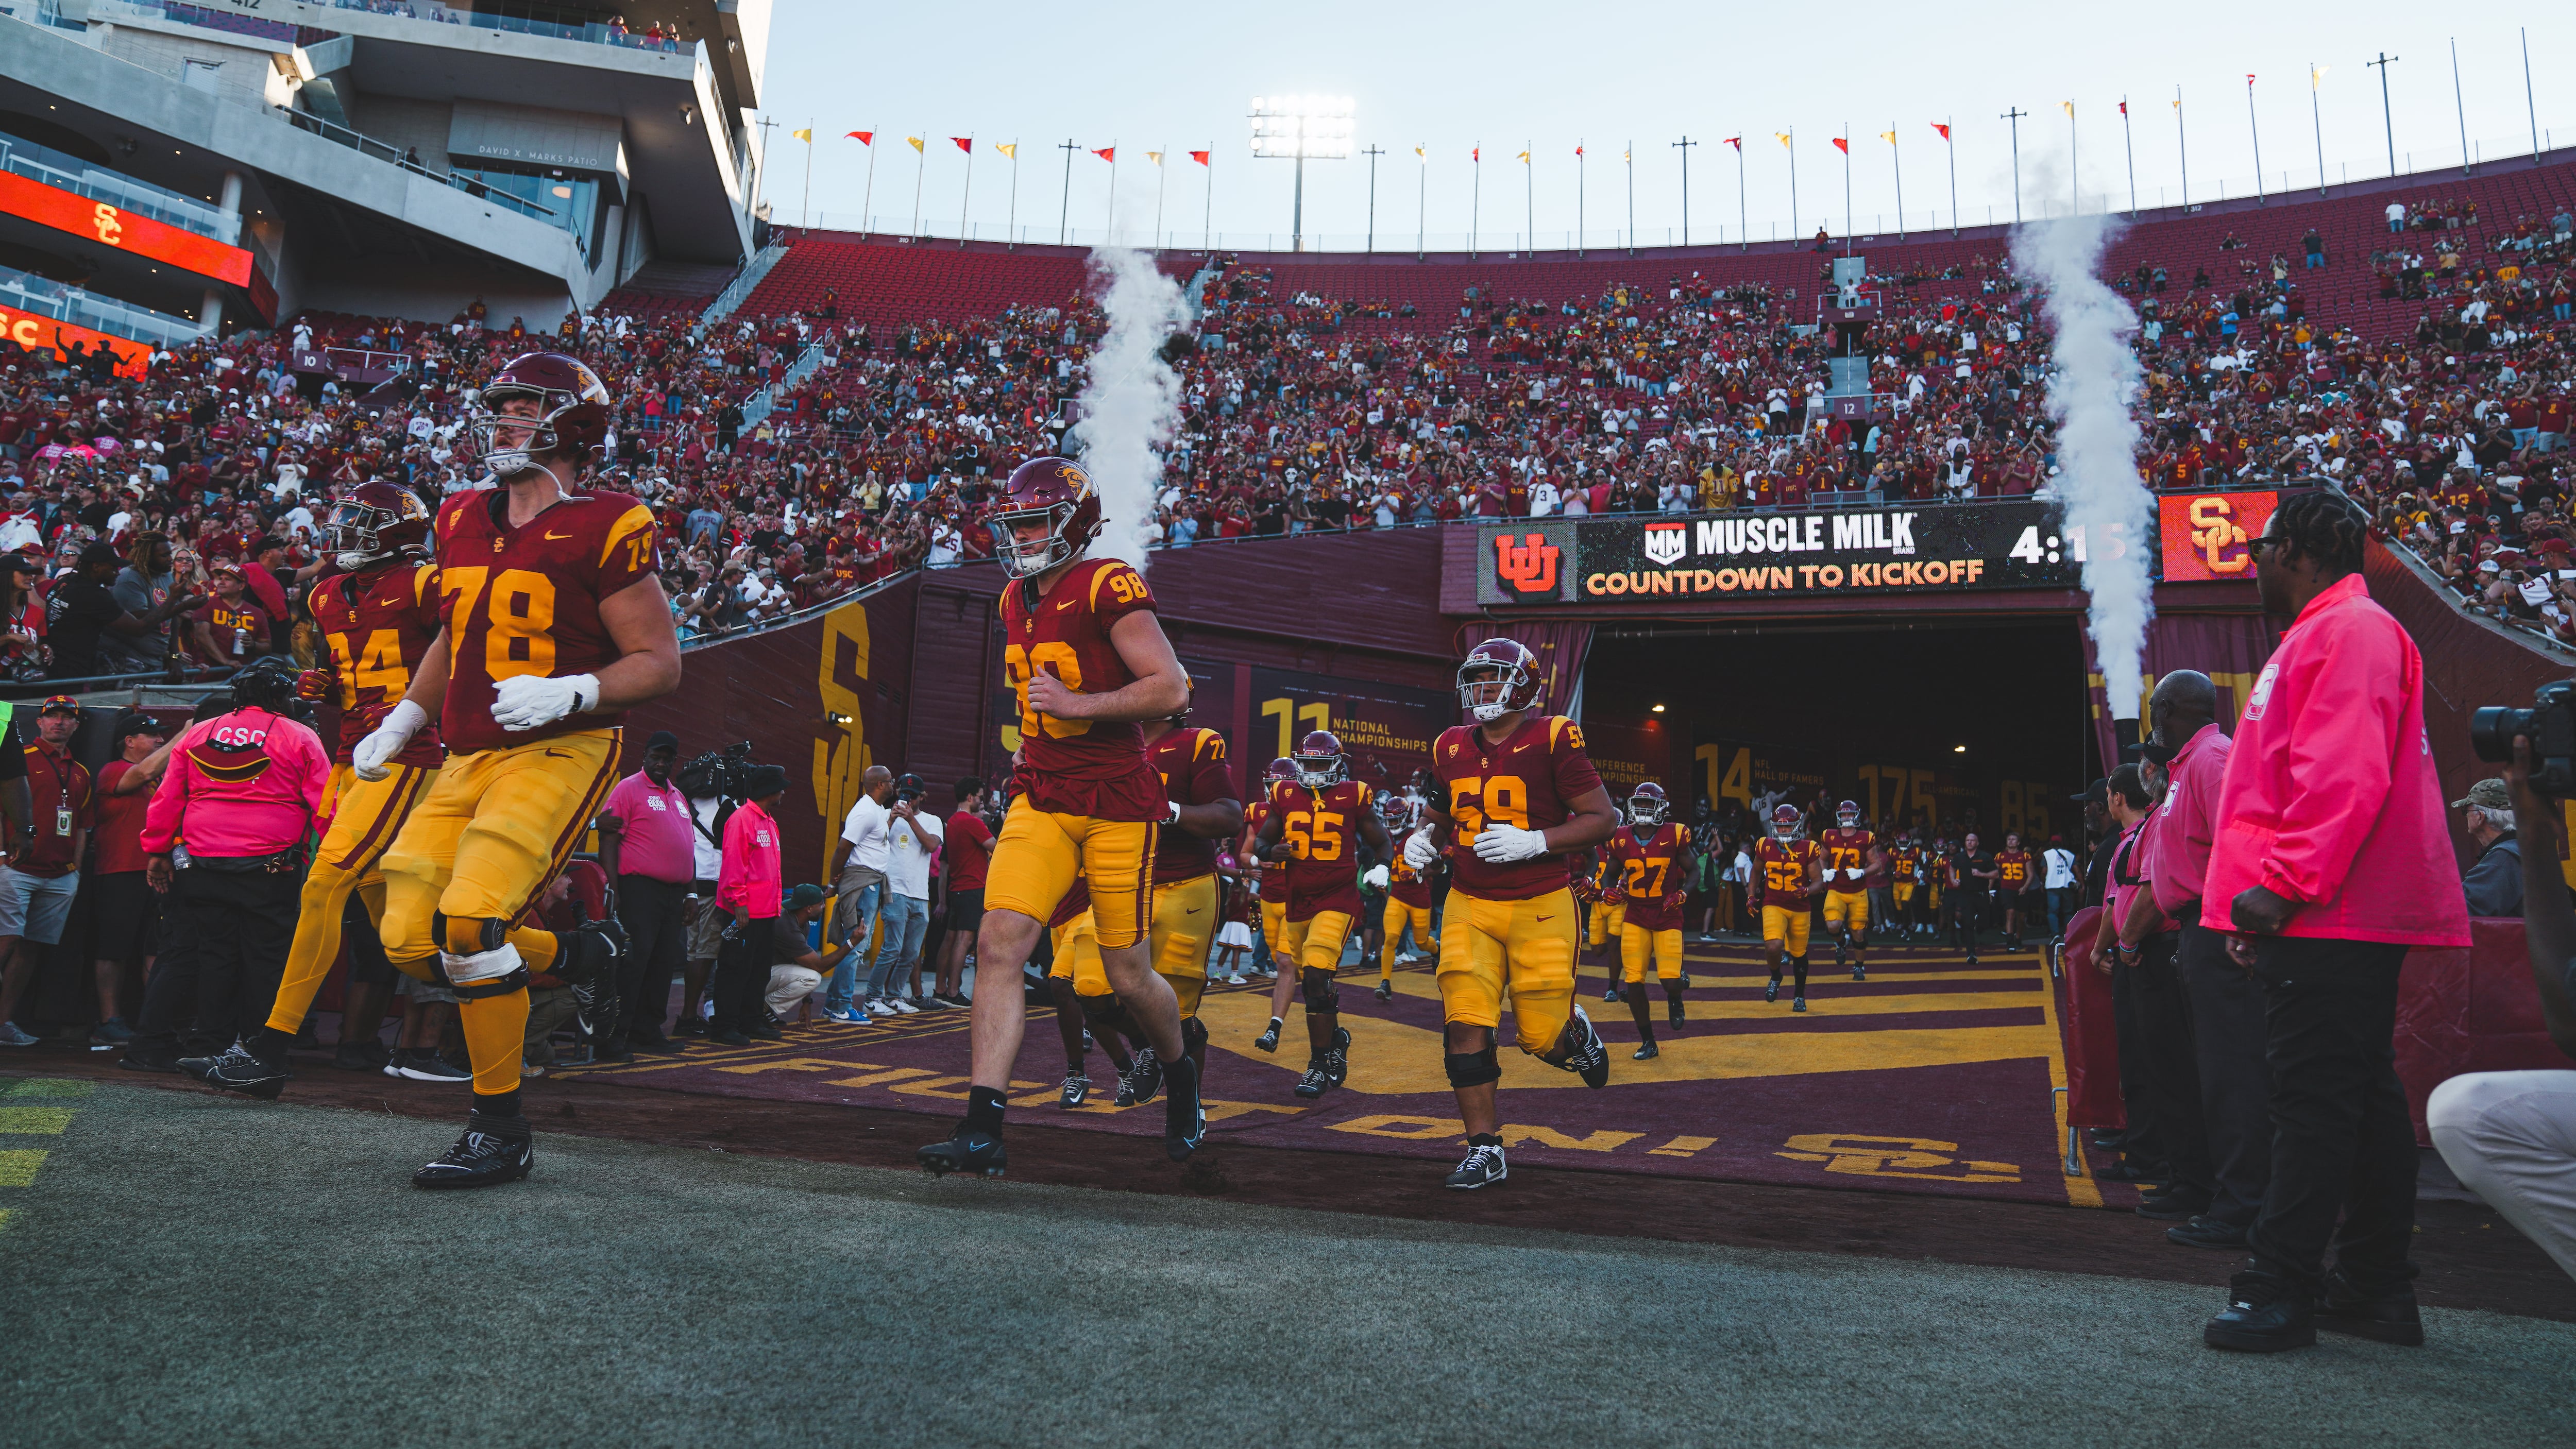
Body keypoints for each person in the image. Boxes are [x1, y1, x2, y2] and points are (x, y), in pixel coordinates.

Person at [337, 352, 679, 1188]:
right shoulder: (458, 515)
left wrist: (577, 688)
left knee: (470, 919)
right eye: (505, 409)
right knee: (410, 936)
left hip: (561, 748)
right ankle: (573, 952)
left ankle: (500, 1128)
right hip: (464, 752)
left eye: (528, 409)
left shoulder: (611, 521)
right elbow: (454, 637)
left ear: (571, 427)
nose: (507, 423)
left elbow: (660, 662)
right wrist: (407, 716)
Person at [2198, 491, 2469, 1353]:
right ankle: (2376, 1284)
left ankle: (2280, 1284)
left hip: (2331, 910)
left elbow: (2340, 777)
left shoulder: (2344, 630)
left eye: (2261, 546)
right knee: (2362, 1098)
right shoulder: (2333, 629)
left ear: (2301, 550)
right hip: (2334, 907)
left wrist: (2281, 886)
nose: (2253, 562)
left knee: (2311, 1101)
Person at [918, 456, 1201, 1178]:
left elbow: (1171, 687)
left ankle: (1181, 1065)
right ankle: (983, 1125)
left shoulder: (1106, 581)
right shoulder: (1015, 596)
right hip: (1042, 796)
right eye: (1017, 524)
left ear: (1073, 522)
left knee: (1127, 975)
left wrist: (1080, 707)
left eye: (1036, 521)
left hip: (1114, 803)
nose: (1024, 536)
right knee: (999, 943)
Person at [207, 480, 455, 1090]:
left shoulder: (426, 582)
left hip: (407, 753)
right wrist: (329, 685)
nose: (344, 535)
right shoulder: (324, 595)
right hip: (351, 753)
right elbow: (347, 668)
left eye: (360, 524)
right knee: (400, 937)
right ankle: (558, 958)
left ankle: (269, 1047)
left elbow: (460, 656)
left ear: (394, 534)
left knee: (323, 885)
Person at [1400, 637, 1619, 1189]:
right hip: (1469, 903)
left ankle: (1577, 1036)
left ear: (1523, 682)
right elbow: (1439, 811)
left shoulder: (1552, 734)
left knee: (1541, 1039)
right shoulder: (1449, 744)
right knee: (1463, 1026)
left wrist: (1537, 841)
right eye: (1475, 678)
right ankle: (1484, 1148)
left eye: (1494, 677)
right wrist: (1420, 839)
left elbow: (1601, 818)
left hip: (1540, 900)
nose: (1481, 688)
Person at [2115, 671, 2263, 1250]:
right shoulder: (2187, 765)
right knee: (2205, 1072)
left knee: (2231, 1075)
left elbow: (2245, 840)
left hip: (2213, 924)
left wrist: (2235, 926)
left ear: (2168, 706)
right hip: (2194, 929)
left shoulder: (2210, 759)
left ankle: (2240, 1205)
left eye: (2153, 708)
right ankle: (2210, 1189)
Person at [2426, 735, 2576, 1284]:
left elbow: (2464, 915)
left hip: (2513, 1008)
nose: (2465, 820)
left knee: (2466, 1110)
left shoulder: (2502, 860)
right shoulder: (2517, 858)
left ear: (2481, 817)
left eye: (2469, 812)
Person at [144, 659, 331, 1087]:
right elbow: (325, 804)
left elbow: (169, 797)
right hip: (270, 867)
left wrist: (156, 851)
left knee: (215, 956)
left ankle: (210, 1045)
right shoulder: (299, 734)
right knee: (266, 960)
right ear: (281, 696)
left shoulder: (198, 732)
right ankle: (258, 1052)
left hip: (202, 865)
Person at [1248, 729, 1391, 1100]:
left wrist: (1383, 867)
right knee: (1315, 984)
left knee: (1315, 971)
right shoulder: (1284, 794)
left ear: (1336, 765)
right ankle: (1337, 1037)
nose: (1311, 769)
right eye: (1307, 762)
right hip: (1299, 902)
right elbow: (1262, 841)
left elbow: (1381, 842)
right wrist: (1272, 850)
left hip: (1338, 898)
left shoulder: (1353, 795)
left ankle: (1316, 1063)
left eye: (1319, 763)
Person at [1125, 698, 1242, 1102]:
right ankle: (1146, 1048)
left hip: (1184, 883)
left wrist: (1170, 810)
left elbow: (1229, 816)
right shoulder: (1111, 744)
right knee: (1091, 986)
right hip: (1122, 883)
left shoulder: (1196, 741)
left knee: (1179, 1006)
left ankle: (1187, 1104)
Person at [0, 697, 93, 1047]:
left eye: (67, 718)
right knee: (6, 940)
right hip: (16, 866)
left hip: (61, 873)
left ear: (77, 726)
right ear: (38, 722)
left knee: (31, 948)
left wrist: (76, 871)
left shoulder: (81, 770)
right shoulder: (19, 757)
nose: (59, 722)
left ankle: (4, 1022)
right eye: (52, 716)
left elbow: (83, 825)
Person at [596, 730, 694, 1051]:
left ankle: (648, 1031)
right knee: (634, 963)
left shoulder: (679, 797)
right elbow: (608, 839)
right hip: (640, 889)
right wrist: (613, 887)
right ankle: (616, 1035)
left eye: (667, 759)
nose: (661, 764)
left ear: (674, 762)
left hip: (674, 893)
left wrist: (691, 893)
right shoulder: (628, 789)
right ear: (645, 756)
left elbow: (688, 849)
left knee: (663, 964)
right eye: (656, 757)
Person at [87, 713, 178, 1049]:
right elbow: (143, 771)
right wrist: (184, 734)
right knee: (114, 948)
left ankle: (152, 1023)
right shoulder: (114, 770)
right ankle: (109, 1021)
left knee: (156, 949)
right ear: (129, 740)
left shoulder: (161, 777)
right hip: (119, 871)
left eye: (160, 735)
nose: (157, 740)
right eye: (151, 735)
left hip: (158, 874)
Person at [1606, 781, 1692, 1059]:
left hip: (1667, 916)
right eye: (1639, 803)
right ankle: (1648, 1042)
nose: (1643, 809)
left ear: (1661, 808)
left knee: (1669, 981)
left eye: (1648, 804)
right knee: (1633, 982)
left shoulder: (1675, 834)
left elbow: (1695, 873)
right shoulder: (1620, 837)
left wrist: (1682, 893)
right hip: (1636, 916)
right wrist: (1608, 889)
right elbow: (1610, 873)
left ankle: (1676, 995)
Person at [708, 764, 788, 1046]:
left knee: (758, 970)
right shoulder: (742, 818)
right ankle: (724, 1025)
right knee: (734, 968)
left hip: (765, 912)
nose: (783, 792)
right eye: (780, 788)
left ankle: (750, 1020)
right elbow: (734, 863)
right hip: (742, 912)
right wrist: (739, 903)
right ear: (769, 790)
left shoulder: (768, 820)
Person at [44, 540, 197, 680]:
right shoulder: (94, 595)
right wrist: (178, 603)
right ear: (96, 567)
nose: (118, 572)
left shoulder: (66, 582)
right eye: (113, 567)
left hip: (56, 661)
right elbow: (139, 628)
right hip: (69, 669)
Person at [864, 772, 941, 1013]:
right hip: (894, 890)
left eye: (914, 797)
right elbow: (875, 842)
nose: (909, 800)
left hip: (921, 893)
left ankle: (895, 996)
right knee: (892, 948)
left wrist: (910, 819)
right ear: (897, 792)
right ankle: (873, 997)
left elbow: (931, 845)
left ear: (923, 796)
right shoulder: (887, 815)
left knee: (911, 953)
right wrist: (893, 819)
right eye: (905, 795)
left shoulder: (932, 820)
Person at [825, 764, 893, 1021]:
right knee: (854, 946)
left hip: (871, 882)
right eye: (890, 781)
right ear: (880, 785)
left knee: (853, 946)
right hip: (864, 884)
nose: (893, 784)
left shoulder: (875, 810)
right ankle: (841, 1006)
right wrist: (833, 883)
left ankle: (833, 1003)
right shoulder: (865, 812)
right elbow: (843, 848)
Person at [1752, 804, 1823, 1010]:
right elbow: (1756, 871)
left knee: (1799, 954)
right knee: (1773, 946)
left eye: (1788, 826)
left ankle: (1799, 996)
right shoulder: (1765, 845)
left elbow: (1819, 882)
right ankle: (1776, 976)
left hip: (1800, 908)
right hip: (1773, 904)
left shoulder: (1807, 847)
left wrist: (1808, 891)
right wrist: (1750, 894)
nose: (1783, 830)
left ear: (1796, 826)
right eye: (1780, 827)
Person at [930, 777, 993, 1007]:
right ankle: (954, 991)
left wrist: (943, 900)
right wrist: (989, 822)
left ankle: (940, 989)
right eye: (980, 797)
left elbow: (945, 864)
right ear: (970, 798)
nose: (981, 801)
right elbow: (996, 846)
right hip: (972, 888)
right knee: (964, 941)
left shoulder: (953, 822)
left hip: (956, 889)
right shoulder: (972, 823)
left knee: (950, 939)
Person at [761, 883, 840, 1024]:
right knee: (813, 977)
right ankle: (760, 1009)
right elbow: (818, 966)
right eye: (821, 904)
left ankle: (762, 1009)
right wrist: (851, 944)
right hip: (757, 978)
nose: (824, 907)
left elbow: (804, 963)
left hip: (766, 975)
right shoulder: (787, 926)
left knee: (809, 974)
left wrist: (807, 1002)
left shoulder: (801, 921)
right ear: (809, 909)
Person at [1818, 797, 1874, 979]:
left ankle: (1859, 966)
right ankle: (1841, 943)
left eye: (1850, 814)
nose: (1848, 817)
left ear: (1857, 815)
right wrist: (1824, 872)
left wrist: (1862, 872)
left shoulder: (1866, 837)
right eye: (1844, 814)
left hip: (1858, 891)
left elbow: (1877, 865)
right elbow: (1821, 857)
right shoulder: (1829, 835)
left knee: (1859, 931)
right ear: (1839, 816)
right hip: (1836, 889)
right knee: (1832, 925)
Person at [2455, 778, 2524, 918]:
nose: (2466, 816)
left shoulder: (2503, 860)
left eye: (2465, 810)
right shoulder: (2520, 851)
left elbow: (2459, 910)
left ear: (2480, 817)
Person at [1994, 832, 2034, 950]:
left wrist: (2025, 887)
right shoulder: (2000, 856)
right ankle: (2010, 942)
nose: (2011, 841)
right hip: (2007, 889)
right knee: (2010, 914)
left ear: (2018, 843)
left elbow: (2031, 874)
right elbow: (1994, 873)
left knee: (2021, 918)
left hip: (2022, 889)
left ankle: (2018, 938)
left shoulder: (2025, 856)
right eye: (2009, 839)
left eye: (2014, 839)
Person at [2041, 834, 2078, 937]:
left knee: (2053, 911)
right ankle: (2069, 934)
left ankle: (2055, 934)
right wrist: (2082, 884)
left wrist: (2042, 882)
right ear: (2062, 843)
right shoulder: (2069, 854)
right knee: (2069, 912)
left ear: (2051, 843)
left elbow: (2044, 872)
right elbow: (2077, 870)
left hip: (2052, 886)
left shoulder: (2047, 854)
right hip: (2067, 885)